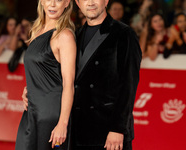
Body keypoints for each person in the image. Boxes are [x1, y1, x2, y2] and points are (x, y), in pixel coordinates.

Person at [23, 0, 142, 149]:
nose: (90, 3)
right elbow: (60, 77)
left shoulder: (124, 34)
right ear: (78, 3)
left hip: (108, 132)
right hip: (78, 130)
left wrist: (118, 128)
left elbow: (128, 86)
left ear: (106, 1)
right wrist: (32, 90)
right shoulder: (75, 35)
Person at [15, 0, 76, 150]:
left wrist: (62, 123)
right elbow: (41, 69)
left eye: (59, 0)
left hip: (51, 115)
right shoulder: (37, 31)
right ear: (42, 2)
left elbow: (69, 84)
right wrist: (29, 87)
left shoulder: (64, 36)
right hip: (32, 111)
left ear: (67, 3)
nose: (53, 4)